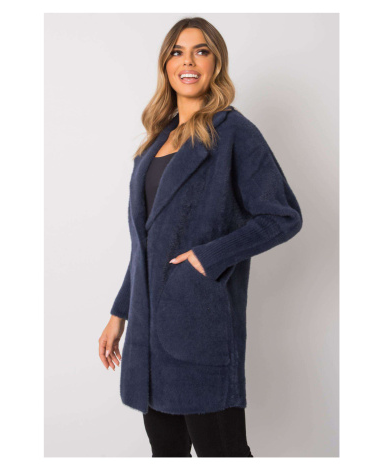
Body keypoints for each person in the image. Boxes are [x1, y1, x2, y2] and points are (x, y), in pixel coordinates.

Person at [98, 17, 303, 457]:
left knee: (224, 454)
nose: (188, 62)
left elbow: (283, 216)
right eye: (177, 52)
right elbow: (145, 244)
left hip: (200, 326)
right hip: (148, 333)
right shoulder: (156, 141)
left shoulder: (234, 133)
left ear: (216, 63)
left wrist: (207, 257)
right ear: (166, 64)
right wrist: (119, 314)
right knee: (166, 453)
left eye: (201, 51)